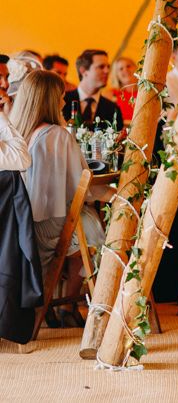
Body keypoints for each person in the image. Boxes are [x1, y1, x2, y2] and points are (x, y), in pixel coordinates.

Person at [11, 70, 106, 326]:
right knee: (92, 225)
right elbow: (80, 187)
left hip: (22, 223)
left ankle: (59, 305)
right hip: (47, 226)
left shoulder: (17, 133)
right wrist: (107, 194)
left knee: (83, 219)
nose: (64, 102)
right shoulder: (57, 135)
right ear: (50, 100)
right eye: (61, 97)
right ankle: (71, 302)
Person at [63, 49, 123, 128]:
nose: (107, 71)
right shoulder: (62, 101)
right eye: (101, 67)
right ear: (83, 71)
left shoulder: (113, 109)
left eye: (108, 67)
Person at [105, 56, 137, 125]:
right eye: (121, 69)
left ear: (135, 68)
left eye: (128, 66)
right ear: (116, 74)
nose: (125, 70)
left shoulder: (146, 92)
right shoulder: (110, 94)